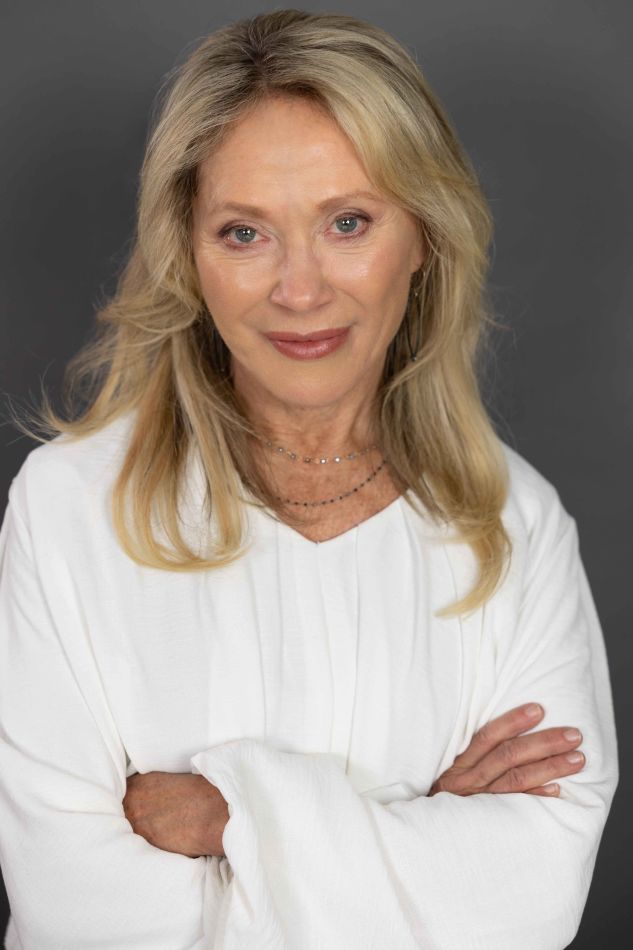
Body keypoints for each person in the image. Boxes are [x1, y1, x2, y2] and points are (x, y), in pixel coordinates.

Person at [0, 9, 618, 949]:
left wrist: (229, 819)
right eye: (244, 232)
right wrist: (413, 838)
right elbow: (78, 916)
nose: (299, 290)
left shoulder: (513, 526)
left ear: (424, 236)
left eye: (348, 223)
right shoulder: (68, 509)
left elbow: (529, 902)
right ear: (187, 253)